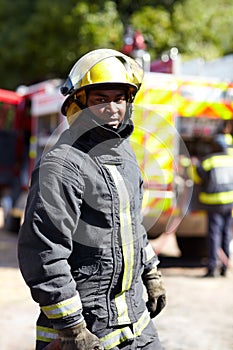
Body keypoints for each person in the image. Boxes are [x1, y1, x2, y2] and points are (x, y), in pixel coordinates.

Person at [18, 49, 166, 350]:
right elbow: (44, 252)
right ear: (78, 104)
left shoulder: (124, 156)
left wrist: (151, 272)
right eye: (101, 100)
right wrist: (72, 328)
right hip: (86, 330)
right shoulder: (61, 166)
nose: (113, 108)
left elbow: (131, 225)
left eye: (120, 98)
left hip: (138, 328)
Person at [191, 134, 233, 277]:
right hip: (229, 203)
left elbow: (197, 177)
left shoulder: (209, 161)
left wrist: (193, 165)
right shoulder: (231, 160)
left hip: (214, 203)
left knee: (214, 235)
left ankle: (212, 267)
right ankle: (224, 268)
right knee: (226, 233)